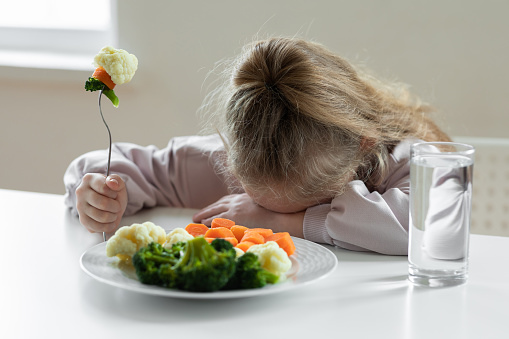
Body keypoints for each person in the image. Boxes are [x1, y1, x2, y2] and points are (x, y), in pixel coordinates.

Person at [64, 37, 450, 255]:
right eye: (261, 202)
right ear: (231, 158)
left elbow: (432, 225)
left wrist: (282, 223)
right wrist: (99, 192)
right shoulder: (219, 164)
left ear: (361, 149)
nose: (263, 212)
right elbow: (107, 165)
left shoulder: (399, 158)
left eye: (316, 202)